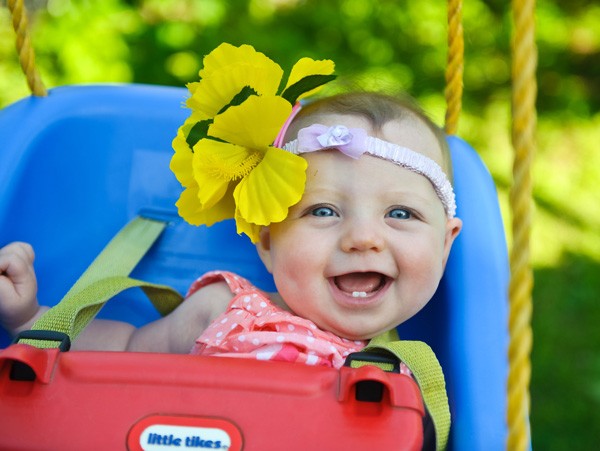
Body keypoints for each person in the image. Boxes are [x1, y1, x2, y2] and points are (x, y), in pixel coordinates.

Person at [0, 44, 462, 369]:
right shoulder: (226, 311)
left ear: (445, 244)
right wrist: (31, 320)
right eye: (323, 211)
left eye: (401, 214)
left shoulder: (408, 371)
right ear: (266, 238)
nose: (363, 238)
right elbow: (124, 348)